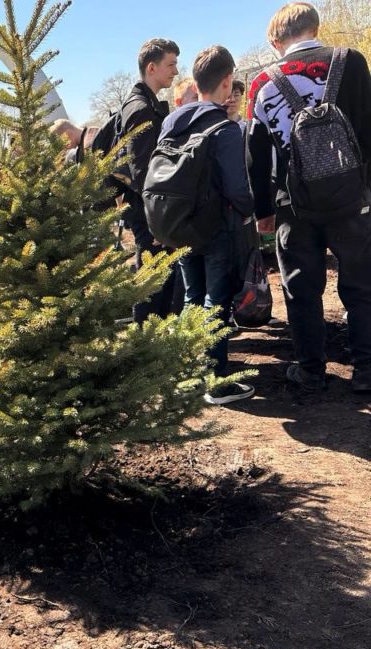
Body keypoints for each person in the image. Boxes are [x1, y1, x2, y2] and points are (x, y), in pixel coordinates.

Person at [247, 1, 371, 392]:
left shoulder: (261, 82)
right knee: (362, 283)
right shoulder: (350, 61)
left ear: (275, 40)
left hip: (292, 202)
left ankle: (311, 370)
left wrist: (263, 211)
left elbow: (256, 151)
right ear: (315, 27)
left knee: (301, 288)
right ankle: (366, 370)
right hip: (352, 199)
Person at [159, 45, 256, 405]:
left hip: (180, 224)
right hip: (216, 227)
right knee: (216, 302)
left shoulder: (173, 120)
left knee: (191, 296)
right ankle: (214, 381)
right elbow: (237, 187)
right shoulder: (224, 128)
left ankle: (189, 372)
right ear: (228, 81)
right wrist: (250, 211)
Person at [123, 38, 185, 323]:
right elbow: (143, 172)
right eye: (170, 64)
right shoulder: (140, 109)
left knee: (160, 278)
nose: (176, 71)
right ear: (151, 67)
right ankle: (145, 347)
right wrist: (158, 221)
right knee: (152, 281)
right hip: (150, 213)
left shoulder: (146, 104)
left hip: (152, 210)